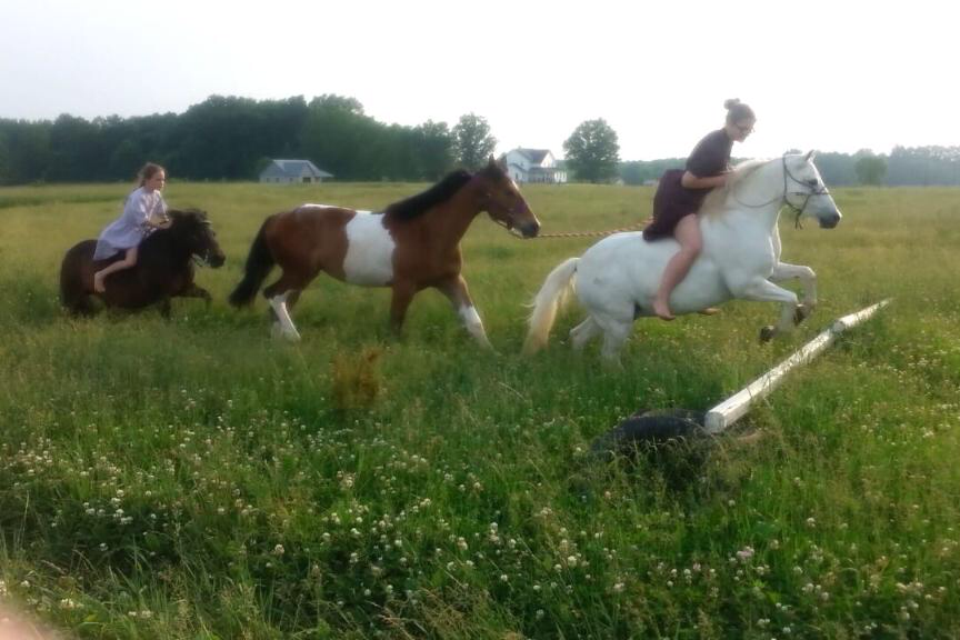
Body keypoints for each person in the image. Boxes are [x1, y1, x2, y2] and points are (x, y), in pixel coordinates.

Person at [644, 99, 756, 320]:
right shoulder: (715, 145)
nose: (746, 133)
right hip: (678, 200)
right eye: (743, 129)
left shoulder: (725, 140)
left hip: (693, 199)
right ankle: (661, 298)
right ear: (730, 123)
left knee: (711, 240)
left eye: (750, 130)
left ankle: (695, 297)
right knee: (693, 246)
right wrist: (724, 180)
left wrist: (727, 172)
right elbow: (689, 181)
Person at [92, 163, 171, 293]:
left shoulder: (156, 194)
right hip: (129, 232)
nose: (162, 183)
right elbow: (144, 221)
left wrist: (168, 223)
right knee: (130, 261)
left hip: (144, 231)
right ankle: (100, 275)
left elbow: (161, 213)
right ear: (147, 180)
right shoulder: (137, 197)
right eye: (158, 179)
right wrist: (162, 227)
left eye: (163, 179)